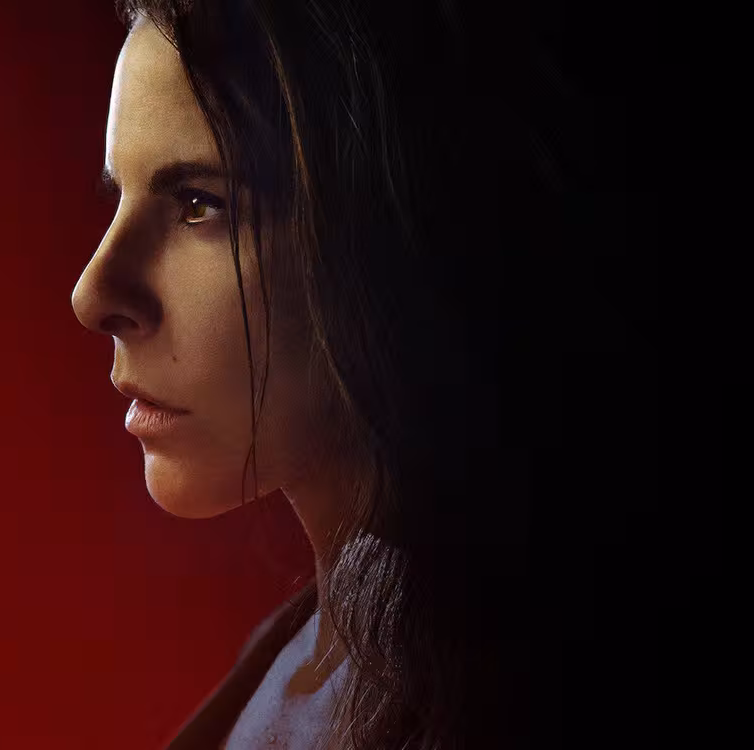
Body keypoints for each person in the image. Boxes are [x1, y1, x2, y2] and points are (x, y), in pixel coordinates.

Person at [70, 1, 657, 747]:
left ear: (399, 226)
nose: (93, 294)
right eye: (118, 196)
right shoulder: (308, 652)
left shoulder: (545, 692)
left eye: (199, 204)